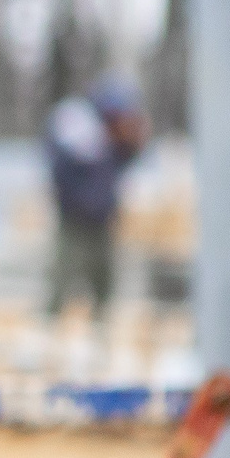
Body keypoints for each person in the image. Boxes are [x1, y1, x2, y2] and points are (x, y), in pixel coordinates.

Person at [44, 76, 150, 319]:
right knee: (64, 278)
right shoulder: (79, 126)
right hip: (75, 219)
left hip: (102, 219)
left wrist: (133, 142)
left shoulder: (110, 137)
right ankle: (48, 332)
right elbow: (67, 171)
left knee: (103, 283)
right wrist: (81, 202)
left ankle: (97, 334)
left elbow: (121, 164)